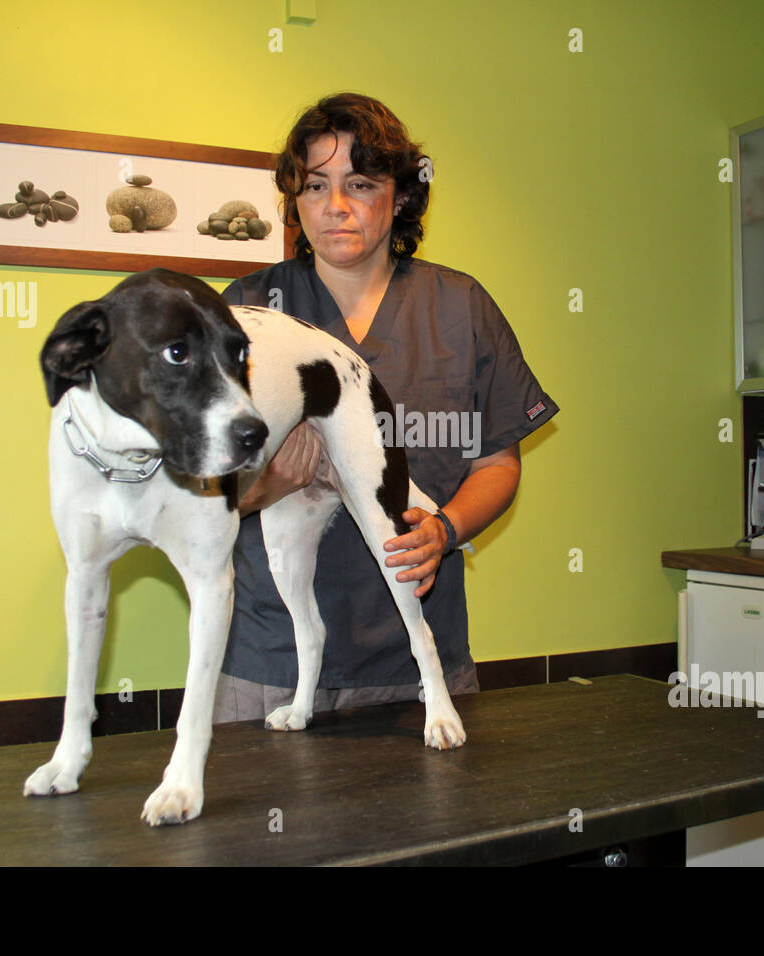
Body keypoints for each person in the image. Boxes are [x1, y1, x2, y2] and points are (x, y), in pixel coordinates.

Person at [212, 92, 558, 723]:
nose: (335, 206)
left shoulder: (460, 308)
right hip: (271, 666)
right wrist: (268, 483)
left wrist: (445, 529)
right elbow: (204, 485)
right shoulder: (249, 312)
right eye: (316, 186)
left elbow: (498, 465)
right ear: (295, 200)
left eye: (360, 183)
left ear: (399, 197)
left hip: (422, 667)